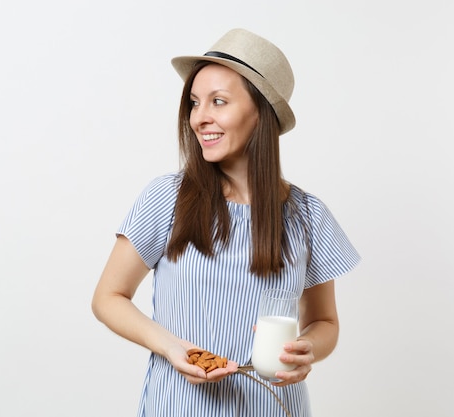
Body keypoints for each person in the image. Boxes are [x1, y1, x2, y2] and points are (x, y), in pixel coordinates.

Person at [91, 28, 360, 417]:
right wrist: (171, 346)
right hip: (180, 406)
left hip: (274, 406)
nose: (200, 118)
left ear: (261, 112)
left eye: (218, 102)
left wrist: (310, 350)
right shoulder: (168, 197)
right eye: (195, 103)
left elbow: (324, 320)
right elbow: (108, 297)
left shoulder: (308, 216)